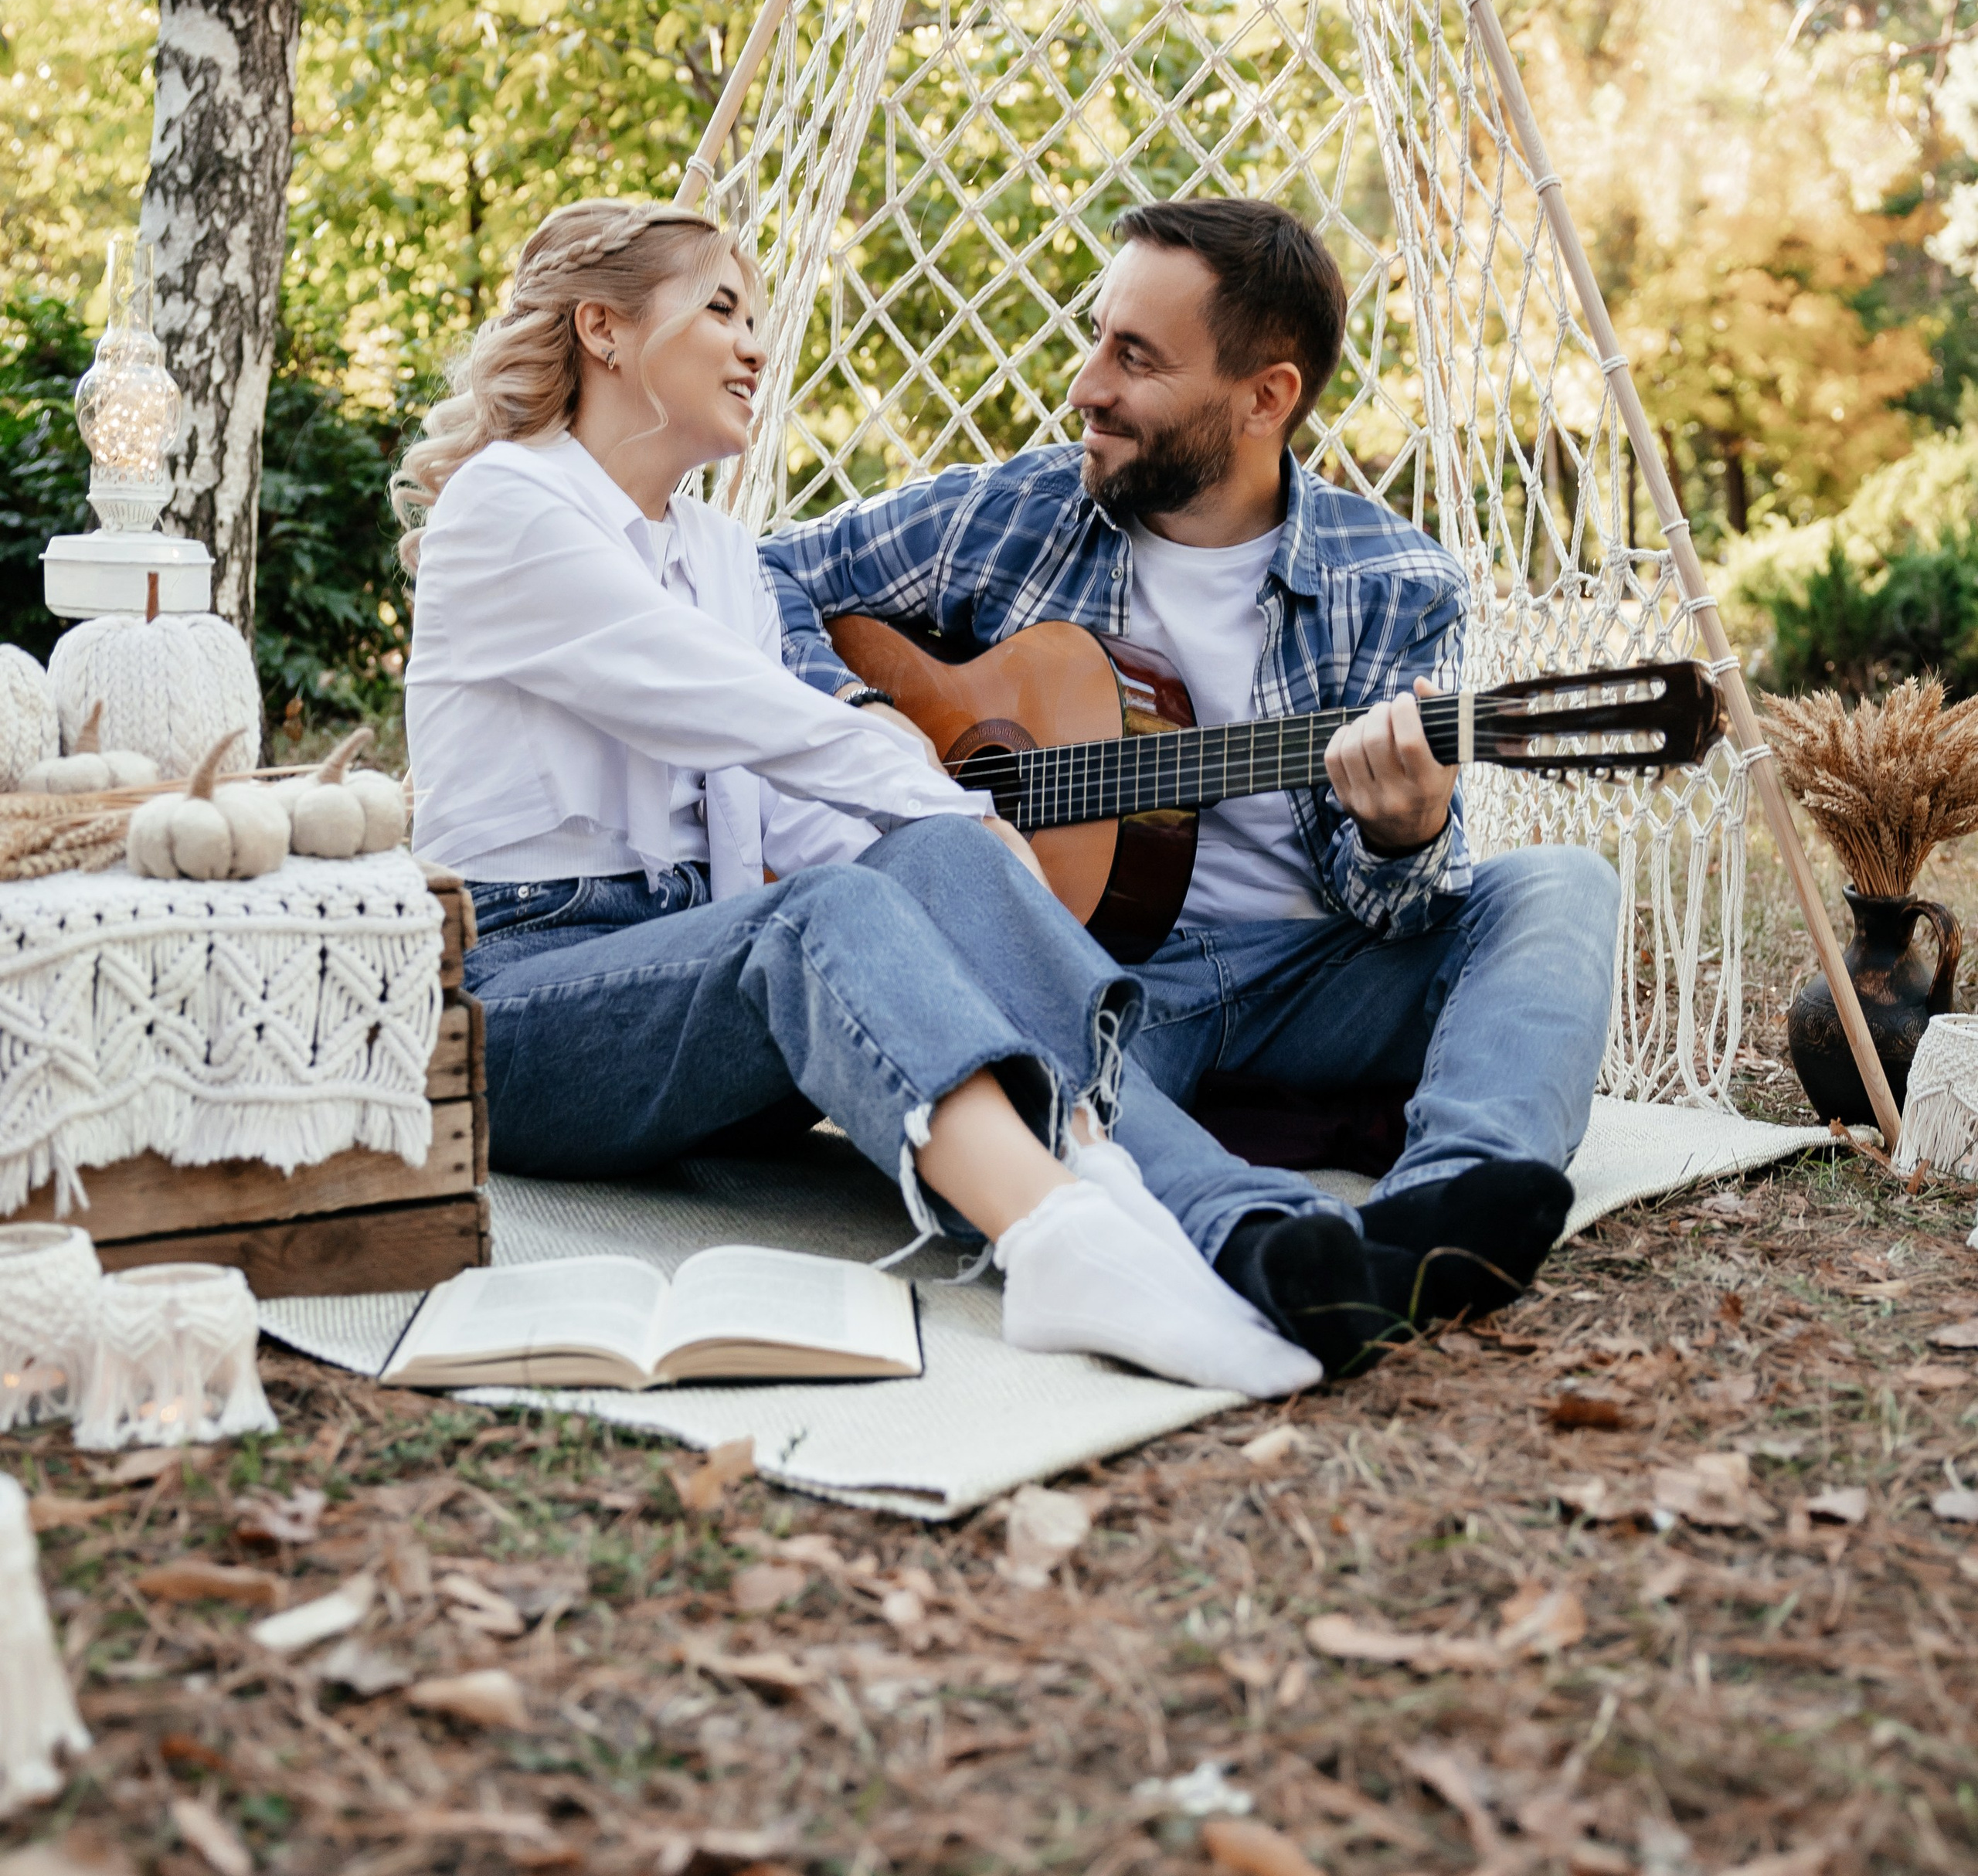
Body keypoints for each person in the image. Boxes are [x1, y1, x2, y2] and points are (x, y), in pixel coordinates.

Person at [393, 196, 1331, 1402]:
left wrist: (961, 859)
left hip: (689, 989)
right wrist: (941, 798)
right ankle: (1061, 1248)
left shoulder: (724, 558)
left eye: (755, 318)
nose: (753, 345)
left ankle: (1190, 1206)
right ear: (604, 332)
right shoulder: (510, 507)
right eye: (721, 309)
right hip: (518, 1007)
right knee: (843, 892)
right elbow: (738, 712)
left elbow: (797, 818)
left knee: (918, 857)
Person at [762, 196, 1623, 1372]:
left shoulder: (1397, 582)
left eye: (1134, 357)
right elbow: (761, 577)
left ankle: (1446, 1214)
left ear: (1267, 397)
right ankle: (1247, 1209)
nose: (1086, 386)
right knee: (998, 1073)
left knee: (1561, 885)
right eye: (1097, 336)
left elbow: (1397, 915)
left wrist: (1403, 833)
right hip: (1102, 981)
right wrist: (876, 723)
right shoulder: (1017, 510)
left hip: (1318, 972)